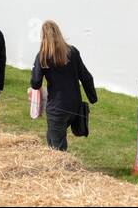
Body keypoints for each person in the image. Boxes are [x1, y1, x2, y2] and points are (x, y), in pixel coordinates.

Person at [30, 20, 98, 150]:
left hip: (57, 108)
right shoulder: (72, 52)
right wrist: (92, 98)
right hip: (74, 106)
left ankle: (61, 170)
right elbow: (86, 77)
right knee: (51, 137)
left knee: (58, 149)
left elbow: (35, 83)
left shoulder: (43, 56)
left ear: (43, 36)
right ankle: (52, 167)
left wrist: (35, 68)